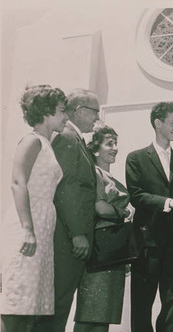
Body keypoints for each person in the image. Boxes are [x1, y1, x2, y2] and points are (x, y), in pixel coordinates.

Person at [1, 85, 67, 332]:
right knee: (16, 304)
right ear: (46, 112)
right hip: (27, 227)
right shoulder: (31, 141)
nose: (66, 116)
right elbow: (18, 182)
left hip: (42, 228)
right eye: (62, 111)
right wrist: (27, 229)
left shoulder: (47, 144)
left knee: (32, 307)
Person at [35, 89, 101, 332]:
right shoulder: (67, 138)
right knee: (56, 306)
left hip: (70, 238)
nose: (98, 118)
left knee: (60, 305)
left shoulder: (75, 139)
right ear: (80, 111)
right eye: (95, 112)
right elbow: (67, 188)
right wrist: (77, 233)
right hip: (66, 240)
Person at [125, 102, 173, 332]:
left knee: (171, 303)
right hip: (147, 243)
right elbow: (136, 195)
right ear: (158, 123)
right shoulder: (135, 158)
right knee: (142, 304)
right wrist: (168, 203)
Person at [73, 125, 131, 332]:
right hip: (101, 250)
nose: (115, 148)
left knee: (104, 313)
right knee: (90, 312)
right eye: (109, 143)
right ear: (95, 149)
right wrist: (123, 213)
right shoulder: (95, 173)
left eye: (116, 143)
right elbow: (100, 207)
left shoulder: (109, 176)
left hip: (113, 251)